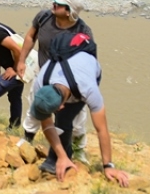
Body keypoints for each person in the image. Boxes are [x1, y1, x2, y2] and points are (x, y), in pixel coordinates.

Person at [30, 30, 130, 188]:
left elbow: (101, 129)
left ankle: (63, 155)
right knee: (61, 124)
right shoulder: (40, 83)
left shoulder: (88, 88)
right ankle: (62, 157)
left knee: (64, 120)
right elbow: (47, 124)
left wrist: (108, 167)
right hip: (66, 77)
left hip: (88, 71)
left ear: (60, 106)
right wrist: (61, 156)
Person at [16, 0, 95, 153]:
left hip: (68, 82)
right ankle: (27, 139)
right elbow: (31, 36)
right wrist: (21, 60)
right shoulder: (43, 17)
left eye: (58, 4)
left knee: (77, 119)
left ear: (69, 12)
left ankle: (79, 150)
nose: (53, 4)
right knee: (36, 106)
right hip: (43, 74)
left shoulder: (82, 32)